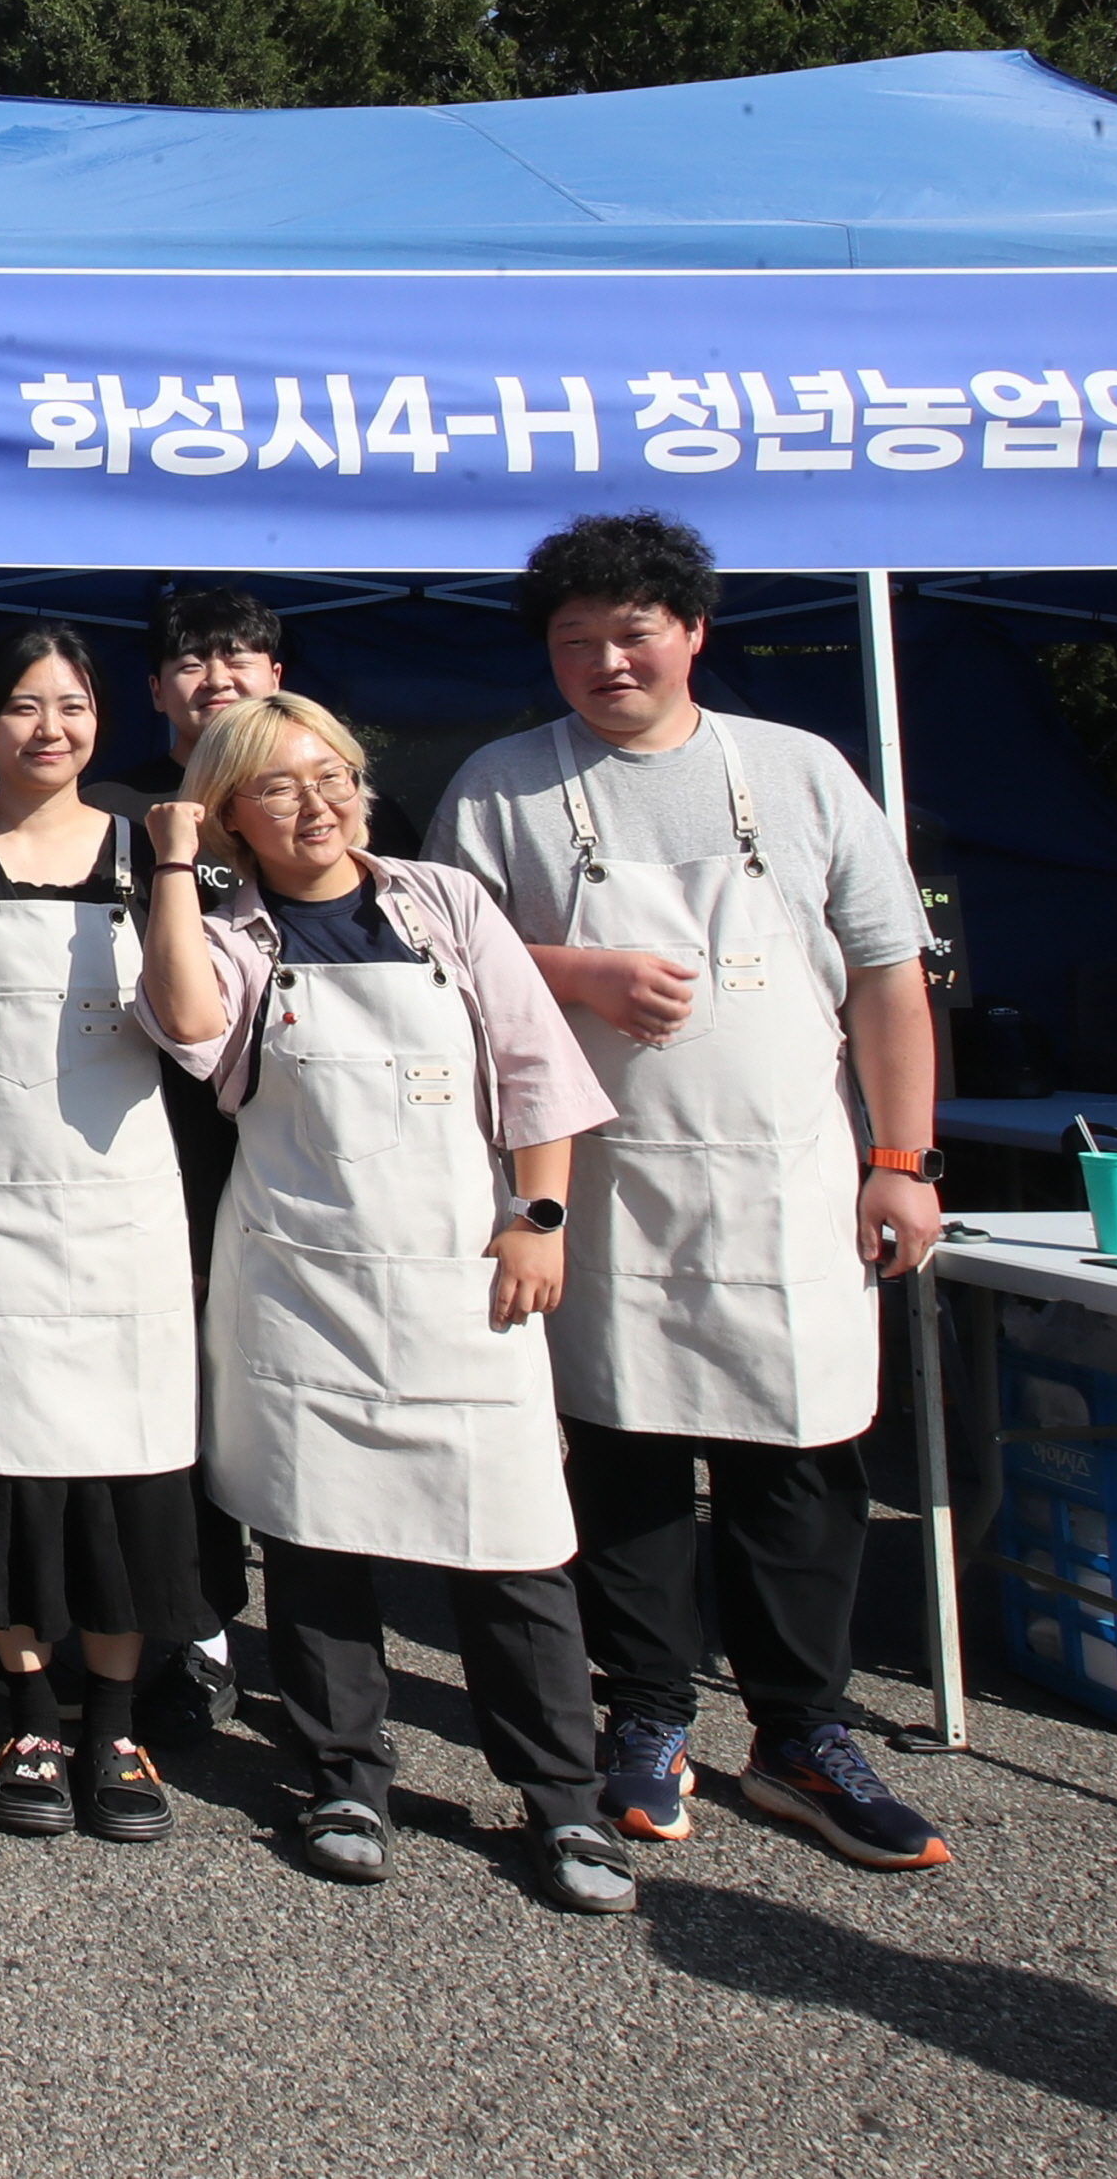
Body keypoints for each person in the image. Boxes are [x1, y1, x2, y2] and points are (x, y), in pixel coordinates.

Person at [426, 514, 952, 1871]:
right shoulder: (500, 785)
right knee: (626, 1456)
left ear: (692, 631)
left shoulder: (797, 772)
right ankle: (644, 1713)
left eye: (630, 632)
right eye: (573, 640)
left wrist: (900, 1159)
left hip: (791, 1174)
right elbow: (439, 968)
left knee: (799, 1457)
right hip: (607, 1183)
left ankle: (798, 1731)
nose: (604, 661)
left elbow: (886, 975)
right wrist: (580, 972)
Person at [142, 691, 637, 1910]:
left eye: (333, 777)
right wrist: (169, 864)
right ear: (228, 817)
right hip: (303, 1279)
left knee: (512, 1545)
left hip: (464, 1268)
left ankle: (559, 1797)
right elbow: (190, 1028)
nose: (315, 805)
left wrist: (540, 1217)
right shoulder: (232, 932)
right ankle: (339, 1772)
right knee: (316, 1540)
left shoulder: (444, 904)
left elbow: (534, 1069)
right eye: (276, 788)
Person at [0, 623, 203, 1844]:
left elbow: (196, 1016)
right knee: (2, 1461)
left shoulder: (152, 847)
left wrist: (175, 868)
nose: (49, 728)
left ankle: (112, 1717)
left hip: (121, 1201)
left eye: (70, 704)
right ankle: (28, 1709)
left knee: (125, 1468)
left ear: (98, 718)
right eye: (20, 707)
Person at [94, 585, 427, 1743]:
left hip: (329, 1156)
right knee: (190, 1387)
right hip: (159, 1147)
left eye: (239, 654)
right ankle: (198, 1626)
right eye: (188, 663)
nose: (215, 677)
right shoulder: (114, 814)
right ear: (153, 691)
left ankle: (339, 1654)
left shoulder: (339, 817)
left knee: (315, 1398)